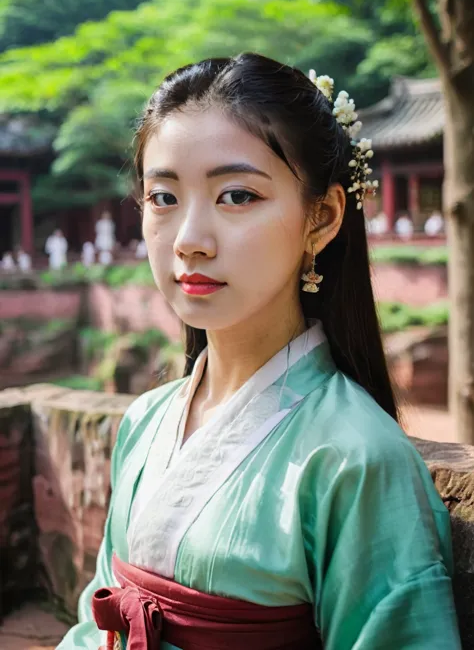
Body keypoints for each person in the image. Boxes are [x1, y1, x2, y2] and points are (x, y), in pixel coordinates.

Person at [58, 54, 461, 650]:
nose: (190, 240)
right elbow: (98, 627)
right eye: (163, 197)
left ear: (320, 218)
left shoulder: (356, 459)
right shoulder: (145, 421)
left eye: (238, 195)